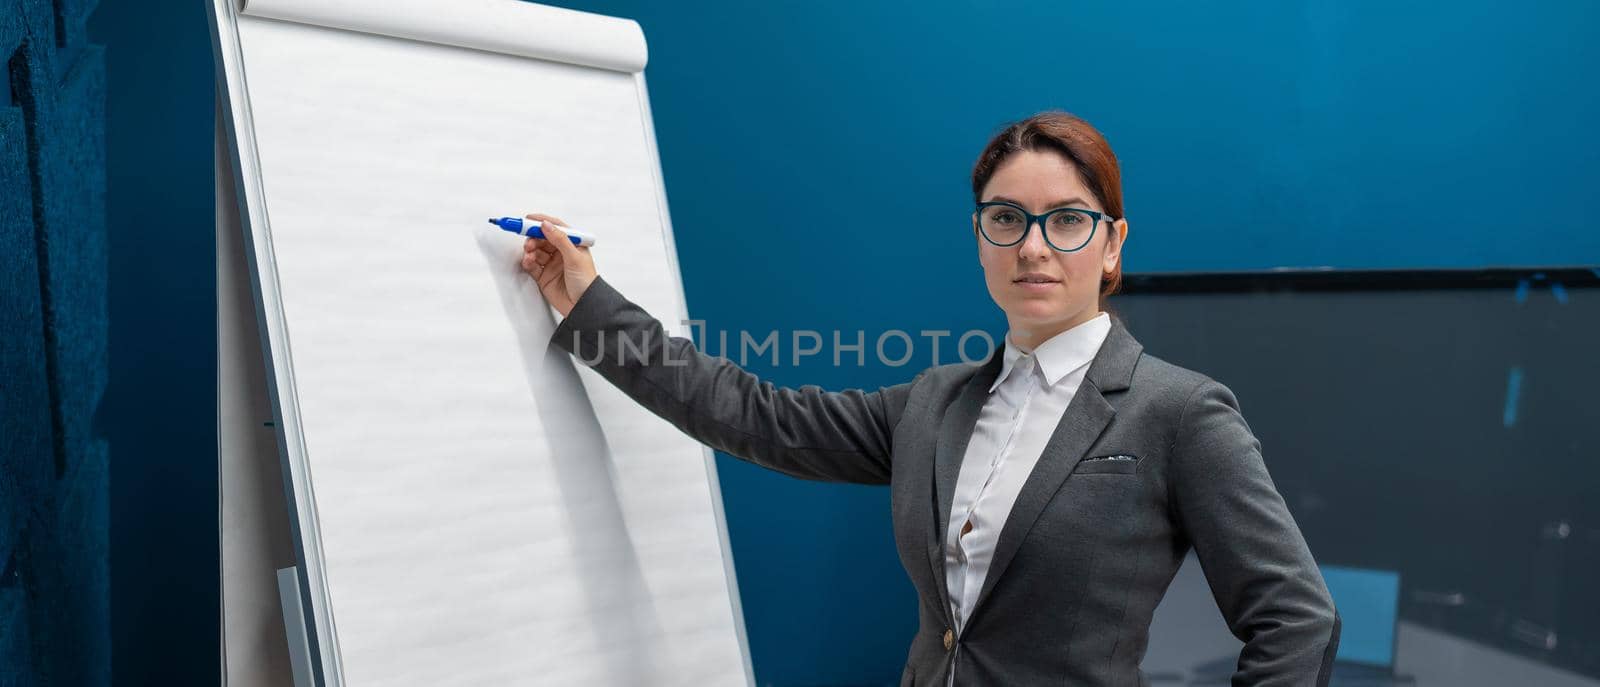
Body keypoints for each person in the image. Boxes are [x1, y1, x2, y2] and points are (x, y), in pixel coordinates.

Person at [519, 111, 1339, 686]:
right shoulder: (936, 402)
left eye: (1067, 221)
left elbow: (1297, 618)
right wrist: (591, 307)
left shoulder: (1178, 413)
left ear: (1114, 243)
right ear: (979, 239)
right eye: (1007, 219)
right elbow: (753, 414)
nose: (1034, 247)